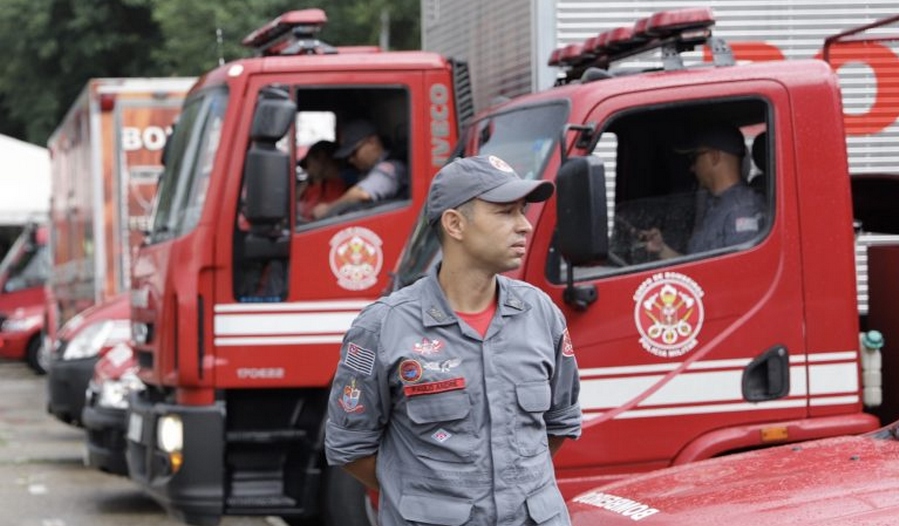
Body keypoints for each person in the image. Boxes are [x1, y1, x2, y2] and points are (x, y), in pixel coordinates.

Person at [324, 155, 582, 526]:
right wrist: (424, 496)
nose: (525, 226)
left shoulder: (540, 313)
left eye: (523, 211)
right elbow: (351, 449)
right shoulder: (383, 327)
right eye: (506, 212)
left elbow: (559, 423)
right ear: (455, 224)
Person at [643, 124, 766, 259]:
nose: (692, 168)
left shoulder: (742, 210)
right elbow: (697, 269)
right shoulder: (715, 203)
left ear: (714, 157)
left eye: (694, 158)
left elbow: (734, 274)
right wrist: (662, 249)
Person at [311, 119, 407, 219]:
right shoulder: (365, 171)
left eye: (353, 153)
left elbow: (363, 193)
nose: (351, 160)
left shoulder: (392, 167)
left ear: (372, 142)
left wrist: (328, 209)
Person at [296, 140, 350, 223]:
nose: (306, 168)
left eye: (309, 162)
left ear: (321, 158)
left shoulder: (336, 186)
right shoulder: (306, 186)